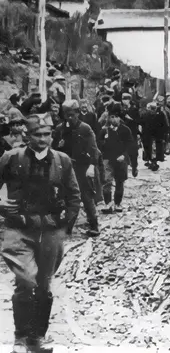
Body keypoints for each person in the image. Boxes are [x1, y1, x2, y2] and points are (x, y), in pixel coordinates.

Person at [0, 117, 81, 353]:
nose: (43, 139)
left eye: (47, 134)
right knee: (26, 280)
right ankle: (20, 337)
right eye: (37, 134)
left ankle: (37, 339)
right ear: (27, 135)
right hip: (19, 229)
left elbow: (74, 196)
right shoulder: (11, 158)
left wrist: (66, 224)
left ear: (52, 136)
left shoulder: (62, 161)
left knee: (44, 286)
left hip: (51, 230)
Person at [53, 100, 100, 237]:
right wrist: (58, 145)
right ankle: (67, 227)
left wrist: (92, 166)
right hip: (65, 168)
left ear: (78, 113)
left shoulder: (85, 128)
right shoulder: (60, 129)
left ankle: (94, 226)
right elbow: (53, 150)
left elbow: (93, 149)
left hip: (82, 167)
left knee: (86, 197)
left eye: (72, 114)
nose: (69, 118)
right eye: (67, 115)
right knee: (66, 197)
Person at [97, 104, 136, 213]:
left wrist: (124, 155)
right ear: (108, 118)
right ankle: (108, 203)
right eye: (111, 117)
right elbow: (98, 144)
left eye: (116, 117)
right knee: (107, 181)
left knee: (119, 181)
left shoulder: (125, 130)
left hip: (121, 160)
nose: (113, 119)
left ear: (120, 118)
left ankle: (117, 203)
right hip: (107, 159)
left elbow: (130, 144)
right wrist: (104, 143)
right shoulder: (104, 131)